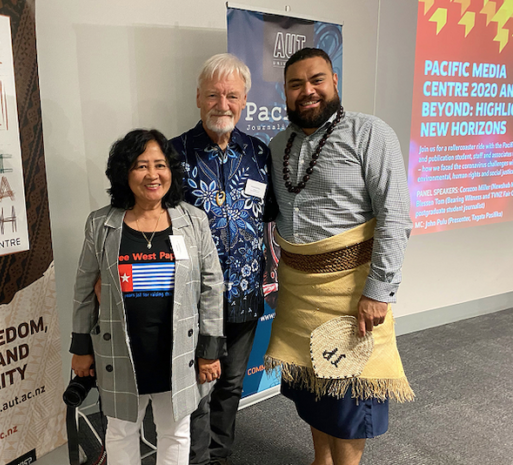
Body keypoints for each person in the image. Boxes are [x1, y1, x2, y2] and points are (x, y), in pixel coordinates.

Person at [264, 48, 415, 465]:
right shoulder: (278, 145)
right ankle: (321, 460)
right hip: (298, 290)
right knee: (315, 388)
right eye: (296, 84)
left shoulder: (371, 133)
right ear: (285, 92)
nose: (306, 91)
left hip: (350, 291)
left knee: (349, 396)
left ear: (334, 80)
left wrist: (378, 292)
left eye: (316, 80)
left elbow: (396, 216)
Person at [70, 129, 226, 465]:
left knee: (175, 433)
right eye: (141, 166)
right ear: (124, 173)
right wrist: (81, 347)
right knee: (121, 432)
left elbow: (213, 286)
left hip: (177, 352)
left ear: (172, 170)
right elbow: (84, 289)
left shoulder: (193, 221)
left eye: (160, 164)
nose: (153, 175)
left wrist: (210, 349)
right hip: (122, 351)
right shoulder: (101, 224)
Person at [170, 53, 271, 465]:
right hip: (194, 299)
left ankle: (220, 455)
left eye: (231, 95)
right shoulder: (172, 154)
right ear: (198, 97)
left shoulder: (260, 153)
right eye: (213, 95)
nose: (222, 104)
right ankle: (195, 460)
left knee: (230, 386)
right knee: (196, 389)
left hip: (246, 294)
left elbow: (270, 216)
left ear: (245, 99)